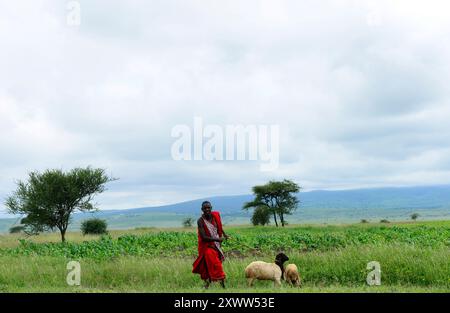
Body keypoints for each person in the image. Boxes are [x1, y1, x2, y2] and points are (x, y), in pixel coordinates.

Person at [192, 201, 230, 288]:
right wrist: (218, 239)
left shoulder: (215, 216)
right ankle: (222, 286)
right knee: (216, 264)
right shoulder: (200, 221)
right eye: (205, 208)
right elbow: (204, 237)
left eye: (208, 207)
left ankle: (207, 285)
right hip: (207, 246)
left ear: (211, 208)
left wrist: (224, 234)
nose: (207, 209)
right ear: (202, 209)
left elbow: (219, 227)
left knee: (210, 265)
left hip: (216, 245)